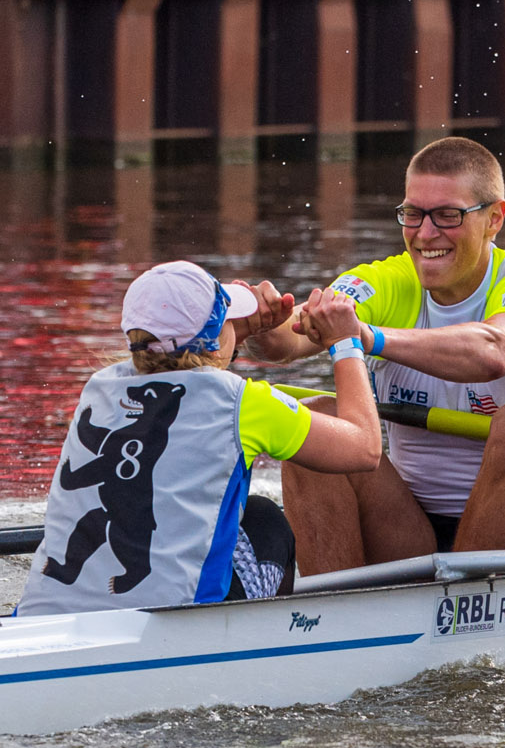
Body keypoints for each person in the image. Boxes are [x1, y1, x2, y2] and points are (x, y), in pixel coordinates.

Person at [246, 137, 505, 572]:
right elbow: (287, 341)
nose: (426, 234)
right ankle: (330, 620)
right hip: (408, 532)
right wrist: (256, 324)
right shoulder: (390, 281)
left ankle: (466, 612)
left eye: (448, 216)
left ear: (494, 218)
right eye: (413, 214)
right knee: (315, 417)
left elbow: (494, 353)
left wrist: (367, 338)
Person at [17, 263, 380, 616]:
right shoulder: (247, 403)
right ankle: (268, 648)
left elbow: (194, 383)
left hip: (40, 619)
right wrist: (344, 344)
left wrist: (229, 338)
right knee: (263, 518)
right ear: (214, 338)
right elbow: (364, 448)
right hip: (179, 627)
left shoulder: (100, 387)